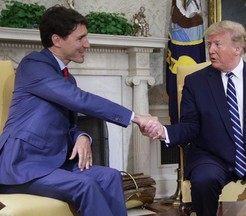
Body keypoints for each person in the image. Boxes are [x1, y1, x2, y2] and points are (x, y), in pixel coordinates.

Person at [0, 5, 153, 216]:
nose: (87, 44)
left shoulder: (66, 78)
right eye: (80, 38)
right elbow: (80, 100)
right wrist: (135, 117)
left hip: (53, 163)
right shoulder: (32, 65)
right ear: (57, 40)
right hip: (23, 167)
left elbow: (68, 124)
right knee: (85, 186)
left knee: (111, 177)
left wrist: (82, 136)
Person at [141, 20, 246, 216]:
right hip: (212, 156)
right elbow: (189, 126)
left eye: (217, 44)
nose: (211, 50)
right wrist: (163, 131)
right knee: (204, 181)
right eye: (209, 44)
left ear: (237, 48)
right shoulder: (196, 82)